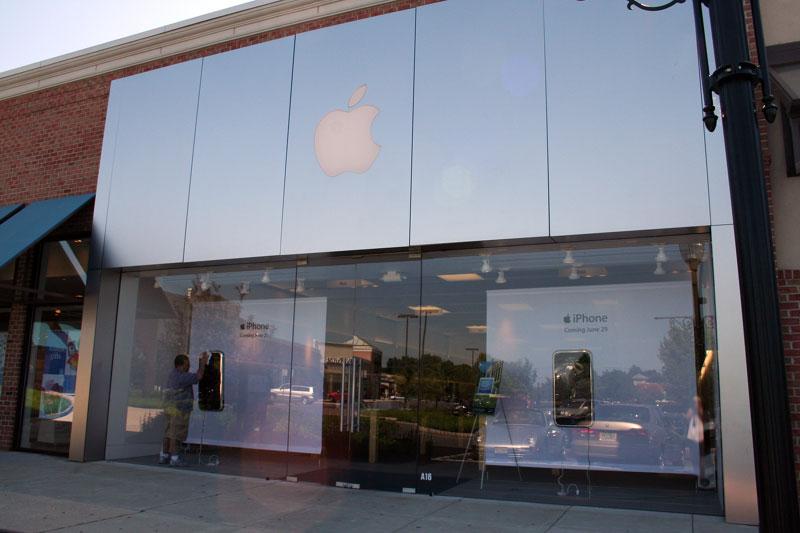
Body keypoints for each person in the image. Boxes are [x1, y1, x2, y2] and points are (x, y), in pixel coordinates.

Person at [160, 352, 208, 466]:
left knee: (168, 432)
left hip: (169, 408)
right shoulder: (182, 376)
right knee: (177, 434)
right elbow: (199, 376)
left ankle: (164, 455)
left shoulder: (172, 374)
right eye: (187, 365)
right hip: (179, 410)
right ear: (179, 365)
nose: (189, 367)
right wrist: (202, 363)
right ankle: (175, 458)